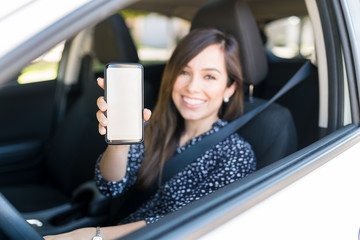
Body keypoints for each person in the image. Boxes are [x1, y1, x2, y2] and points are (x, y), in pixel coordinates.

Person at [45, 28, 256, 240]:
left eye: (209, 76)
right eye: (184, 72)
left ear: (230, 88)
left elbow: (186, 221)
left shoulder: (236, 154)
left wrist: (92, 235)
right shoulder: (155, 126)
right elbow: (110, 186)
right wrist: (119, 146)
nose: (192, 87)